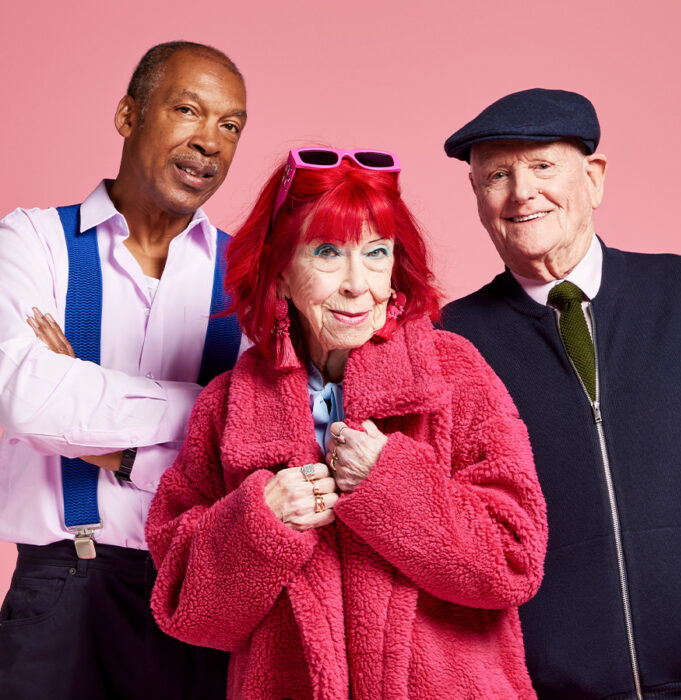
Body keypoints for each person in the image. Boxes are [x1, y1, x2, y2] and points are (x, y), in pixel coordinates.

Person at [145, 147, 548, 699]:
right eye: (328, 253)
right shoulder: (228, 403)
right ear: (280, 272)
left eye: (376, 253)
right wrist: (260, 520)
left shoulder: (452, 373)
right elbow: (189, 613)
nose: (358, 284)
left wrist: (393, 485)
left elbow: (512, 563)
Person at [0, 41, 247, 699]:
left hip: (200, 596)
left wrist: (84, 393)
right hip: (63, 591)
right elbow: (24, 400)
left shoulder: (251, 275)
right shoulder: (32, 241)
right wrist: (206, 407)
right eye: (189, 110)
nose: (211, 142)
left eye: (230, 126)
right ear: (128, 114)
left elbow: (250, 457)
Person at [441, 88, 681, 699]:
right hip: (546, 689)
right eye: (497, 175)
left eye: (542, 166)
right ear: (478, 199)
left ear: (594, 178)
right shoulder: (450, 343)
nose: (521, 192)